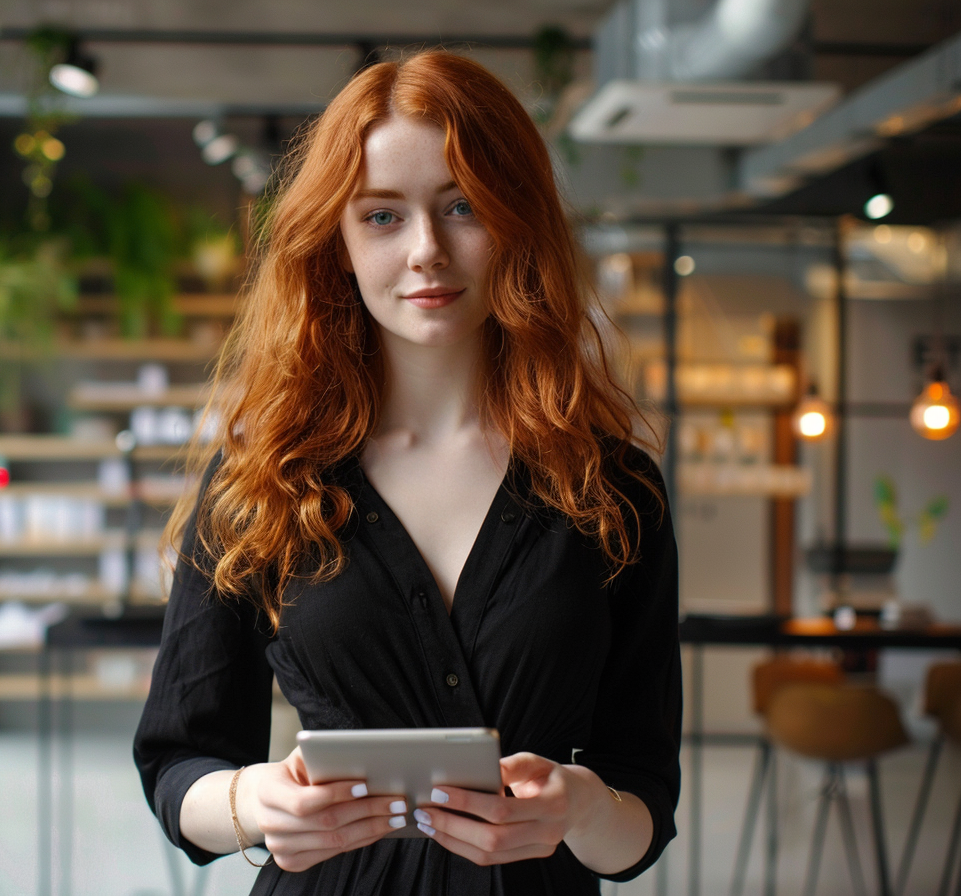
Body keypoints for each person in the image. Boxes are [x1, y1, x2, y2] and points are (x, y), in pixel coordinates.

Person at [134, 50, 681, 895]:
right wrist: (255, 801)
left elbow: (642, 797)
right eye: (383, 217)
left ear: (517, 223)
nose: (428, 250)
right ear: (338, 243)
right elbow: (178, 760)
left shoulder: (614, 489)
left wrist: (579, 808)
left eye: (463, 207)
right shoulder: (264, 477)